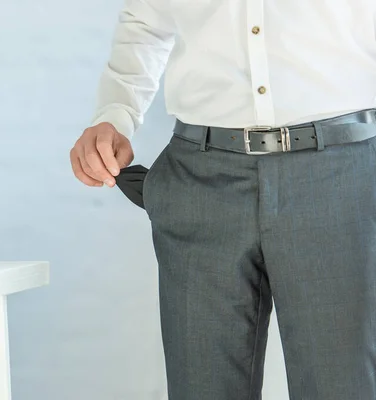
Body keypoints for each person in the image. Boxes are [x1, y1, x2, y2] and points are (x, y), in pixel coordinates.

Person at [69, 1, 376, 399]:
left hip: (340, 173)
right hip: (200, 176)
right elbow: (145, 21)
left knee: (344, 386)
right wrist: (114, 113)